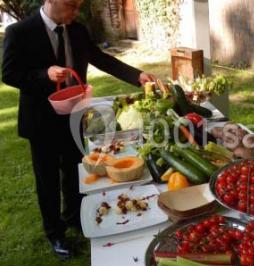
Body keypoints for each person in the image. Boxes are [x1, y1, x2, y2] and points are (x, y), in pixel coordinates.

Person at [1, 0, 156, 258]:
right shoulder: (20, 32)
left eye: (78, 6)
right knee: (47, 180)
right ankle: (55, 233)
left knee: (75, 172)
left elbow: (101, 59)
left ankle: (73, 217)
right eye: (71, 5)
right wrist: (43, 74)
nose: (76, 12)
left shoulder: (77, 29)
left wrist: (136, 76)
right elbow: (9, 74)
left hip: (74, 117)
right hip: (40, 121)